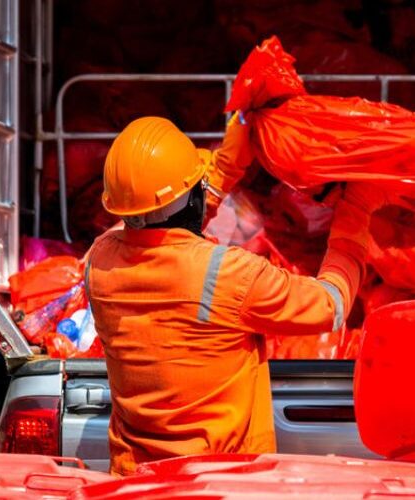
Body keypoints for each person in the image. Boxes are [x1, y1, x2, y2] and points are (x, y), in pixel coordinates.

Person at [86, 115, 380, 476]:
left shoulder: (99, 262)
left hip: (133, 482)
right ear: (192, 198)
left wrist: (225, 165)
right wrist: (356, 215)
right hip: (220, 482)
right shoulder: (228, 274)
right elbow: (329, 305)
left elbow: (161, 225)